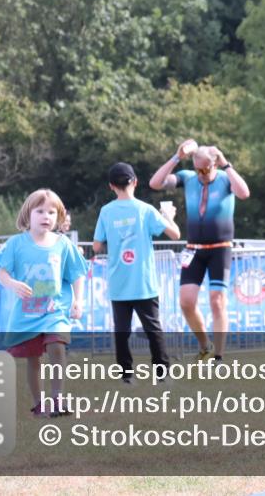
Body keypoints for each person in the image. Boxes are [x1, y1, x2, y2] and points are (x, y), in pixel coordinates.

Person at [149, 140, 250, 363]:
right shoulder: (188, 178)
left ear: (214, 164)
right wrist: (176, 157)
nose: (202, 174)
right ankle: (205, 345)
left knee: (217, 301)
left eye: (206, 169)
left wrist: (227, 164)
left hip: (220, 248)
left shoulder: (225, 178)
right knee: (186, 301)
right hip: (194, 249)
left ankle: (219, 357)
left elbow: (244, 193)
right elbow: (155, 183)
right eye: (198, 169)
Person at [0, 189, 87, 417]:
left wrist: (78, 300)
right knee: (33, 359)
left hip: (55, 310)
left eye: (51, 212)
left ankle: (58, 399)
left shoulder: (63, 244)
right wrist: (13, 284)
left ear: (58, 217)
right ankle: (40, 405)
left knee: (57, 346)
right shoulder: (16, 243)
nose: (46, 216)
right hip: (26, 314)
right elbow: (2, 274)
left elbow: (77, 274)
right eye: (40, 211)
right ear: (28, 215)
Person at [93, 163, 181, 383]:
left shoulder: (106, 211)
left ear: (111, 186)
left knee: (122, 331)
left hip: (118, 281)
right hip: (144, 281)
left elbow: (95, 246)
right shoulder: (145, 210)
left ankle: (126, 376)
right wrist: (168, 216)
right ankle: (163, 374)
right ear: (135, 182)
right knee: (153, 329)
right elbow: (175, 234)